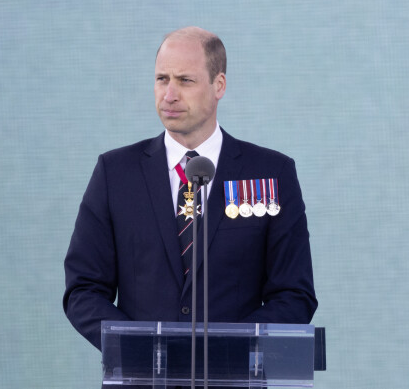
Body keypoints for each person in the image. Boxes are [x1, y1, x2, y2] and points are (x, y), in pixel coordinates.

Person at [63, 26, 318, 382]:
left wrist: (228, 353)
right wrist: (141, 349)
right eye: (161, 79)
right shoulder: (115, 173)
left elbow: (294, 293)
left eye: (184, 80)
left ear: (219, 85)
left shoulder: (271, 173)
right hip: (143, 379)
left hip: (234, 379)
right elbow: (83, 289)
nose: (169, 94)